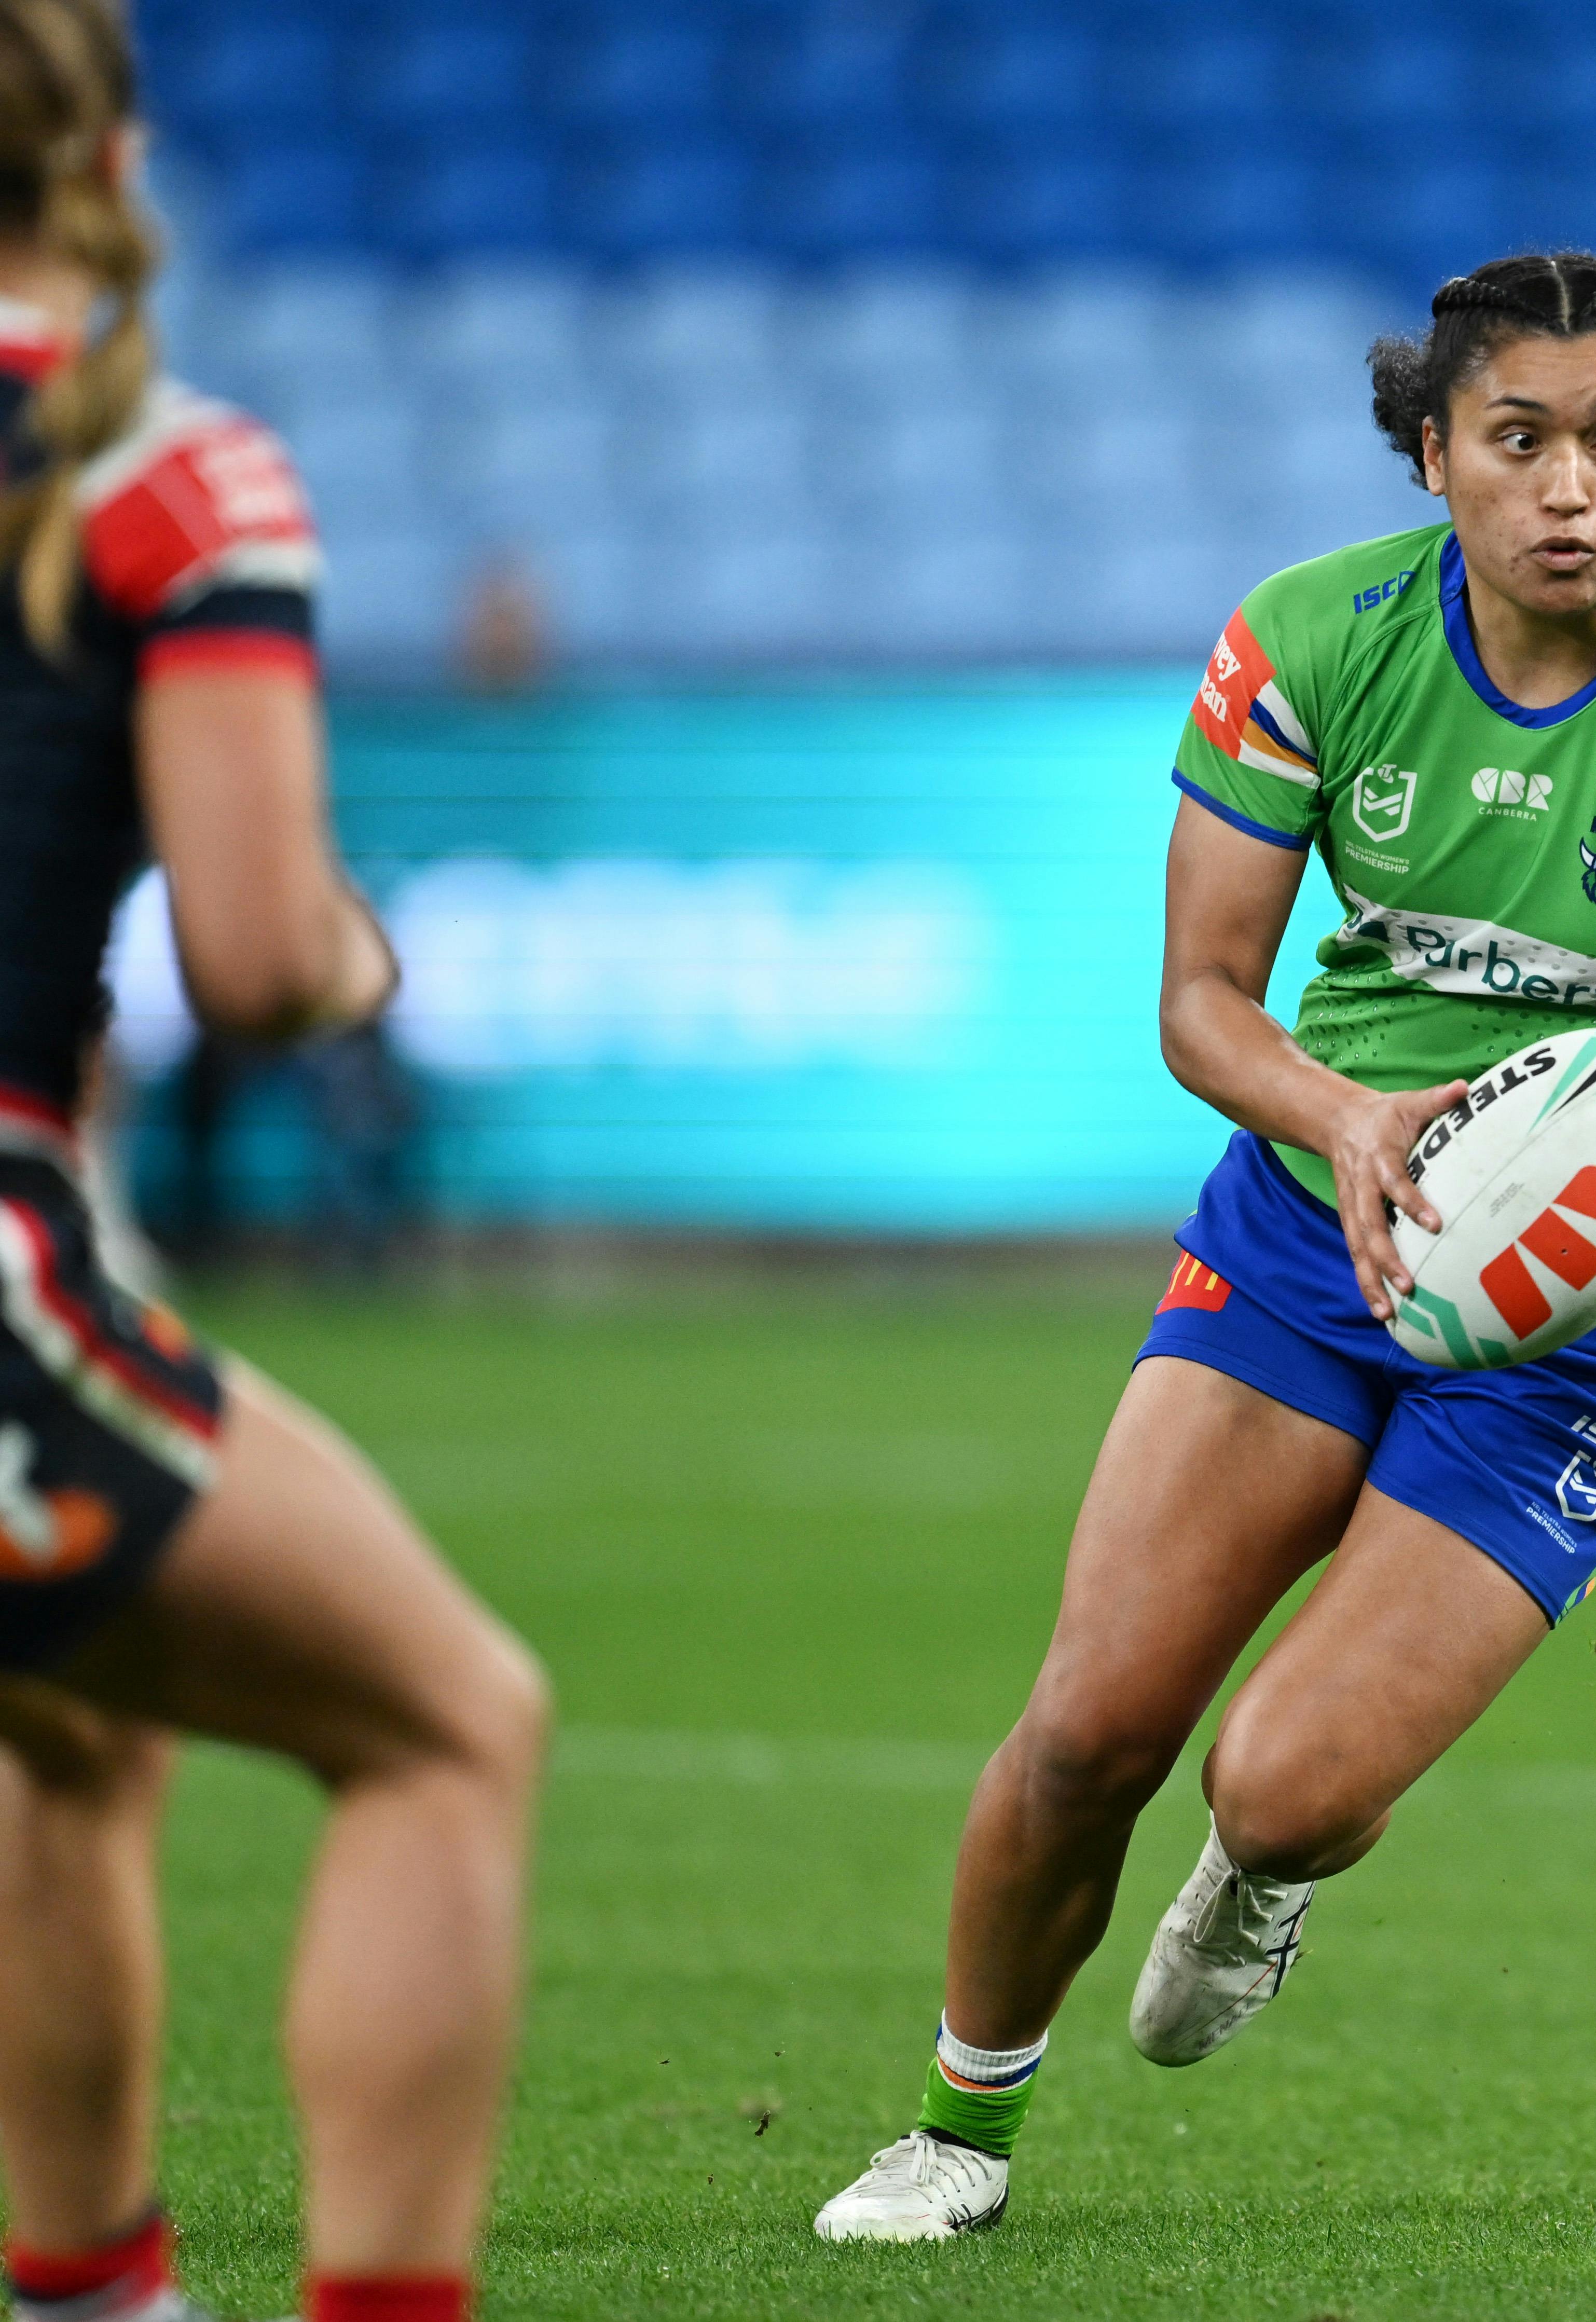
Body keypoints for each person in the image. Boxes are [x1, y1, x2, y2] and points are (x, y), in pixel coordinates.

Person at [814, 249, 1596, 2243]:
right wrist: (1346, 1118)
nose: (1570, 485)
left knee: (1279, 1781)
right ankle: (959, 2124)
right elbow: (1202, 997)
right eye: (1520, 439)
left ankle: (1270, 1873)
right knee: (1091, 1722)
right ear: (1432, 456)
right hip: (1314, 1235)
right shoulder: (1313, 640)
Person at [0, 8, 547, 2321]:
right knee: (446, 1724)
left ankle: (90, 2285)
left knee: (71, 1718)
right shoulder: (160, 471)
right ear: (115, 143)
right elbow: (250, 954)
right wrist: (348, 945)